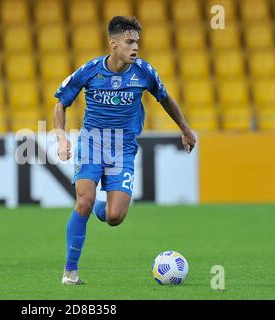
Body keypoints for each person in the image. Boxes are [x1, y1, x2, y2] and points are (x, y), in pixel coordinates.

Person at [54, 16, 196, 284]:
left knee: (115, 217)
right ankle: (70, 272)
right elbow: (60, 103)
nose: (135, 47)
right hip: (92, 144)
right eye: (129, 42)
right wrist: (61, 138)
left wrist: (185, 129)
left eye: (137, 42)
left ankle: (100, 207)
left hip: (123, 149)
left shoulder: (144, 72)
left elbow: (165, 99)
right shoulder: (90, 70)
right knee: (82, 202)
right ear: (113, 44)